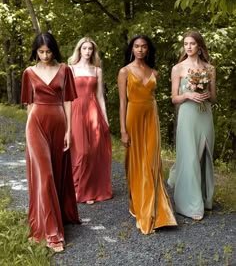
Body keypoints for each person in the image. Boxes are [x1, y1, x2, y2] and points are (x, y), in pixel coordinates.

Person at [21, 32, 80, 252]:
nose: (45, 56)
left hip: (58, 125)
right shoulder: (29, 72)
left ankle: (58, 215)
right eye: (41, 52)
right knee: (44, 175)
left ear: (54, 50)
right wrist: (28, 133)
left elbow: (67, 101)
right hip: (35, 125)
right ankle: (52, 233)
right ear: (36, 51)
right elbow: (29, 104)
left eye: (48, 51)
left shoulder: (65, 70)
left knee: (56, 172)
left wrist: (69, 130)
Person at [118, 35, 177, 234]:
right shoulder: (124, 72)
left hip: (151, 118)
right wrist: (123, 130)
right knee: (135, 163)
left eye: (144, 46)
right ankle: (140, 206)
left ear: (148, 50)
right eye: (137, 46)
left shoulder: (155, 73)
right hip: (133, 117)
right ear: (132, 49)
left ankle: (157, 212)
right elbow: (122, 103)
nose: (140, 49)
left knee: (152, 163)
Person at [167, 30, 216, 220]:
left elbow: (214, 97)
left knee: (205, 154)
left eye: (192, 44)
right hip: (187, 115)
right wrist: (188, 94)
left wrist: (206, 95)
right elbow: (174, 98)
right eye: (186, 44)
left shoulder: (210, 69)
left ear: (199, 46)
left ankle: (205, 199)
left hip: (205, 115)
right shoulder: (177, 68)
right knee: (190, 156)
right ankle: (190, 205)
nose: (188, 47)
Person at [68, 37, 112, 204]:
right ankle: (76, 188)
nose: (87, 52)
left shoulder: (97, 71)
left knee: (93, 152)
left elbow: (100, 96)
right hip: (76, 110)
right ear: (79, 50)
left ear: (93, 51)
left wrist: (105, 119)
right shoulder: (70, 69)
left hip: (93, 111)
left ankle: (89, 190)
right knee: (81, 151)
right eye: (84, 48)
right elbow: (66, 96)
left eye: (90, 49)